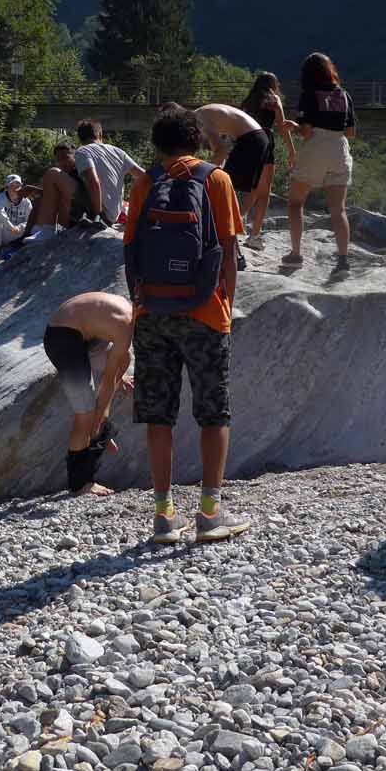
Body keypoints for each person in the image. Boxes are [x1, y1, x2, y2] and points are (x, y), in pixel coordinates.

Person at [124, 106, 250, 543]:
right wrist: (226, 305)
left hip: (152, 313)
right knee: (213, 413)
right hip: (205, 312)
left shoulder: (146, 182)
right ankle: (210, 514)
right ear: (196, 140)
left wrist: (141, 300)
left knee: (158, 415)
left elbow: (131, 248)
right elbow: (228, 251)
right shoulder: (216, 179)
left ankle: (164, 516)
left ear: (157, 144)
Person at [42, 292, 135, 495]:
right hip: (62, 340)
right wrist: (99, 421)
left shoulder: (129, 308)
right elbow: (108, 380)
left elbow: (114, 366)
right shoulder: (126, 327)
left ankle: (100, 430)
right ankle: (80, 483)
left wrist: (121, 375)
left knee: (125, 358)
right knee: (85, 413)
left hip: (80, 332)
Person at [283, 51, 357, 272]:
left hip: (316, 147)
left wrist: (294, 127)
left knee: (296, 202)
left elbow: (306, 132)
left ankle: (296, 254)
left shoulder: (309, 94)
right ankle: (343, 260)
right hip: (339, 148)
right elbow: (351, 132)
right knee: (338, 210)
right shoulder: (344, 95)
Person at [192, 103, 272, 239]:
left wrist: (202, 177)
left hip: (252, 139)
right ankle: (233, 227)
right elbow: (218, 151)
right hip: (257, 137)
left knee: (222, 187)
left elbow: (221, 151)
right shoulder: (202, 114)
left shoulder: (199, 119)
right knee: (225, 186)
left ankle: (227, 232)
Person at [238, 72, 297, 248]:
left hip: (246, 143)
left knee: (253, 189)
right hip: (264, 142)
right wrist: (291, 150)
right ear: (273, 85)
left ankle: (234, 222)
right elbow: (282, 126)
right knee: (264, 193)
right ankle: (254, 236)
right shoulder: (274, 100)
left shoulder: (248, 101)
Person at [74, 119, 144, 226]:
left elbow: (93, 182)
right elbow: (143, 175)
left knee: (54, 174)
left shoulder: (83, 151)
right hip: (115, 214)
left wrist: (98, 214)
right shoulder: (118, 151)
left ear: (80, 138)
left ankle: (55, 228)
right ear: (100, 134)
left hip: (102, 215)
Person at [24, 143, 90, 241]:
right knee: (39, 199)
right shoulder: (66, 176)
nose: (62, 163)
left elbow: (82, 194)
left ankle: (47, 229)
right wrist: (35, 190)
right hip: (70, 216)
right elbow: (51, 196)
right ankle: (28, 232)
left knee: (53, 173)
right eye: (58, 160)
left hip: (83, 214)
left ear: (75, 156)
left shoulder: (80, 170)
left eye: (65, 158)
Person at [0, 174, 34, 250]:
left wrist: (19, 228)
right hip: (6, 234)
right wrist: (11, 227)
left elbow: (31, 221)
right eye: (12, 185)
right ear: (6, 188)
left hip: (20, 233)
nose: (15, 188)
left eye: (18, 185)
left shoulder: (26, 202)